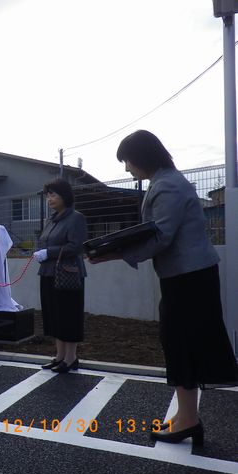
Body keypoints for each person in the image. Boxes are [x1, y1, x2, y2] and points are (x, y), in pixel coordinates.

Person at [89, 130, 238, 446]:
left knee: (181, 342)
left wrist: (113, 253)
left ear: (142, 157)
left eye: (128, 162)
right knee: (182, 341)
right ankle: (188, 416)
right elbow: (156, 232)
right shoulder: (166, 180)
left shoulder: (167, 185)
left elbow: (161, 236)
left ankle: (188, 420)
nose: (128, 169)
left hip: (189, 280)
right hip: (188, 277)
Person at [33, 179, 87, 374]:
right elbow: (45, 241)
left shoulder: (76, 218)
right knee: (53, 315)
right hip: (48, 273)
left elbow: (76, 246)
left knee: (68, 315)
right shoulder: (52, 219)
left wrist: (49, 252)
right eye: (48, 195)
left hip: (68, 275)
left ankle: (71, 358)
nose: (49, 199)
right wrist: (41, 252)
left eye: (53, 195)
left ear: (65, 196)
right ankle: (60, 356)